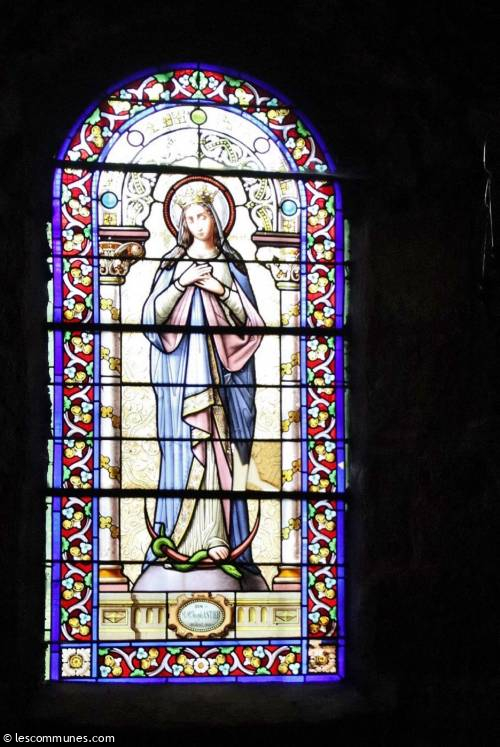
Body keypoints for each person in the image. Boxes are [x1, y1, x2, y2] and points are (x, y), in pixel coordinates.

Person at [133, 184, 268, 592]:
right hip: (181, 383)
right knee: (185, 452)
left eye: (203, 216)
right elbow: (151, 318)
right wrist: (181, 283)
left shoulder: (231, 265)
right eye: (190, 219)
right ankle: (178, 542)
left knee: (222, 451)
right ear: (182, 224)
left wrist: (220, 290)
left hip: (225, 383)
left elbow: (252, 323)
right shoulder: (172, 265)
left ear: (216, 218)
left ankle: (222, 540)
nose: (197, 224)